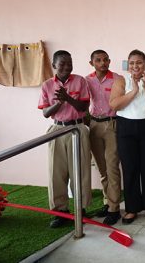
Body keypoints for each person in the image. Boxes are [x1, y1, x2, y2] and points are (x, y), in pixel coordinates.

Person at [109, 49, 145, 224]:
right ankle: (132, 208)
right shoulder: (120, 81)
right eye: (132, 63)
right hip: (126, 127)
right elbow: (114, 105)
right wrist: (133, 90)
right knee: (130, 167)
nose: (135, 66)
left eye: (139, 62)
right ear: (128, 65)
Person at [38, 50, 92, 228]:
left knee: (81, 170)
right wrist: (59, 102)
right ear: (54, 65)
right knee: (56, 172)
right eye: (62, 64)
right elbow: (45, 113)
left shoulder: (80, 81)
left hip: (77, 128)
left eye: (70, 63)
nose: (67, 67)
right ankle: (60, 211)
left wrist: (68, 98)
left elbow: (84, 107)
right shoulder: (46, 85)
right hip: (57, 129)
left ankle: (81, 209)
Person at [85, 49, 122, 225]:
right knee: (102, 169)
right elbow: (85, 103)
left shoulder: (117, 79)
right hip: (94, 125)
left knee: (112, 166)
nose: (103, 63)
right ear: (91, 63)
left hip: (112, 124)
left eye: (106, 59)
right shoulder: (87, 80)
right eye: (98, 60)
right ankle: (108, 203)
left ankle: (115, 209)